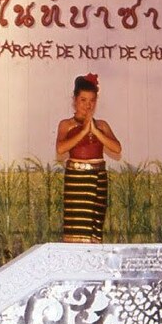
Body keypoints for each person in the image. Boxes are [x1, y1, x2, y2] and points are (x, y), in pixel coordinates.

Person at [55, 73, 122, 243]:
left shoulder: (101, 125)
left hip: (98, 178)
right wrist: (84, 131)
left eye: (91, 100)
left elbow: (117, 148)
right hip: (77, 179)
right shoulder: (66, 124)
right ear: (75, 100)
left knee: (94, 228)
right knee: (77, 226)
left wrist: (95, 131)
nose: (88, 105)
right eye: (83, 100)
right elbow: (61, 149)